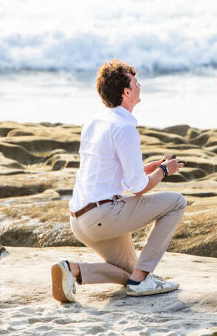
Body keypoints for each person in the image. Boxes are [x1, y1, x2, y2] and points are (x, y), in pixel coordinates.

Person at [51, 60, 187, 301]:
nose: (139, 86)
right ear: (127, 92)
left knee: (129, 274)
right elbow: (137, 188)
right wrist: (165, 171)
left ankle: (72, 269)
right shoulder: (125, 128)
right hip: (103, 216)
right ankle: (144, 275)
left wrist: (148, 168)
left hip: (80, 219)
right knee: (177, 202)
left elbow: (111, 175)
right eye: (135, 83)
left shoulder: (94, 122)